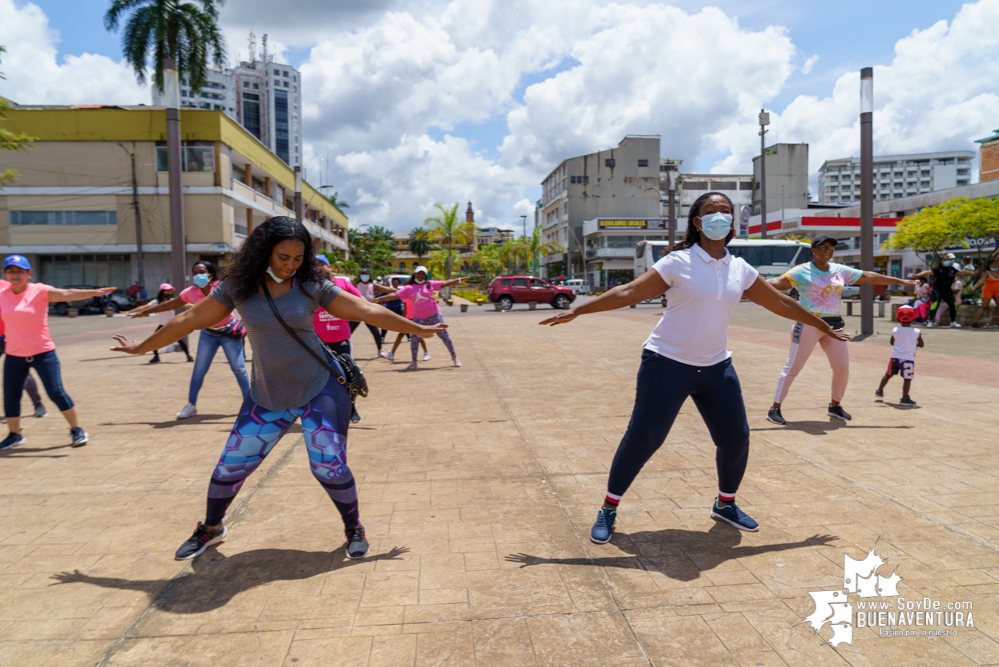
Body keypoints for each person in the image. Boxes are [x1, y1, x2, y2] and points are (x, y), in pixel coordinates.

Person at [109, 216, 446, 560]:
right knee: (230, 467)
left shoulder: (312, 285)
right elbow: (188, 319)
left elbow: (365, 308)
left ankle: (353, 527)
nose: (290, 265)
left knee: (328, 465)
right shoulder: (236, 286)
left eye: (298, 258)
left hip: (321, 385)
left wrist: (416, 329)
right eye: (283, 257)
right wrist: (142, 347)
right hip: (269, 393)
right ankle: (211, 528)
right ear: (264, 251)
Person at [538, 193, 851, 542]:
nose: (719, 216)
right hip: (666, 363)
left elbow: (780, 301)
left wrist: (822, 325)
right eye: (711, 212)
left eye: (726, 212)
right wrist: (579, 310)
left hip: (716, 366)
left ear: (733, 222)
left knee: (736, 438)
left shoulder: (740, 268)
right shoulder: (677, 262)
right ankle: (609, 508)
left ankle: (725, 503)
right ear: (697, 222)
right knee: (645, 439)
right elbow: (629, 292)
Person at [766, 234, 917, 425]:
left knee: (842, 368)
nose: (827, 251)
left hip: (835, 325)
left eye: (830, 248)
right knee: (793, 367)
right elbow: (775, 284)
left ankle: (835, 405)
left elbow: (867, 276)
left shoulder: (839, 270)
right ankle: (775, 408)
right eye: (822, 248)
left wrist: (898, 281)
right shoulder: (801, 271)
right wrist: (746, 288)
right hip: (809, 323)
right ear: (813, 250)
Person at [0, 255, 112, 449]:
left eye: (20, 271)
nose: (15, 274)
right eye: (11, 271)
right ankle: (14, 434)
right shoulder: (2, 292)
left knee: (55, 392)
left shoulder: (40, 291)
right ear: (5, 273)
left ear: (29, 273)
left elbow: (67, 294)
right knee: (10, 395)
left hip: (43, 353)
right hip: (14, 355)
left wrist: (94, 292)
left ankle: (77, 429)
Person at [129, 261, 250, 419]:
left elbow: (243, 301)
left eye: (201, 271)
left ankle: (250, 406)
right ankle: (191, 406)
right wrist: (145, 311)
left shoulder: (221, 287)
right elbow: (171, 304)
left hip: (229, 333)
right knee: (199, 370)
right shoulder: (190, 292)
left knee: (239, 368)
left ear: (210, 274)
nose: (197, 275)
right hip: (208, 334)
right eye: (195, 272)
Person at [374, 265, 465, 370]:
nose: (420, 275)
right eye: (419, 273)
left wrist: (458, 279)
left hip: (434, 314)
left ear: (425, 275)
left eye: (423, 274)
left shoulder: (430, 284)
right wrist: (380, 299)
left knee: (444, 336)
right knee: (414, 339)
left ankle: (454, 356)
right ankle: (414, 361)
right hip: (418, 317)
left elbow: (445, 283)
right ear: (415, 274)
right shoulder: (409, 288)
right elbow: (395, 295)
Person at [312, 255, 364, 423]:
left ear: (330, 266)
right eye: (315, 265)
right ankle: (321, 410)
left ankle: (351, 409)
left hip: (341, 337)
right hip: (317, 339)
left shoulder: (342, 284)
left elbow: (361, 302)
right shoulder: (308, 286)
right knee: (320, 376)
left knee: (347, 374)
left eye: (322, 264)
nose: (318, 268)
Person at [875, 305, 923, 405]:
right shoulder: (916, 332)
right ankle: (905, 398)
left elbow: (892, 342)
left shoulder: (895, 330)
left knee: (888, 374)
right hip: (908, 359)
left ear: (898, 318)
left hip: (895, 357)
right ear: (913, 318)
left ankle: (879, 390)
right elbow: (922, 344)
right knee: (907, 379)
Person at [914, 253, 973, 328]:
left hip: (947, 289)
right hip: (937, 289)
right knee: (935, 303)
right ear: (941, 261)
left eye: (948, 260)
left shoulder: (952, 269)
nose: (946, 261)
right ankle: (931, 321)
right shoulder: (938, 269)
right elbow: (927, 272)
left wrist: (973, 274)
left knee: (953, 305)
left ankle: (953, 322)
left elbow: (962, 273)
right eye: (944, 260)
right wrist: (917, 275)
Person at [379, 277, 428, 362]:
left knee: (419, 336)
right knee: (401, 335)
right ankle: (392, 354)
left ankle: (426, 353)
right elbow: (405, 309)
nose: (405, 287)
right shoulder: (406, 297)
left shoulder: (414, 295)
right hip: (408, 319)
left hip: (415, 318)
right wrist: (403, 319)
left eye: (406, 285)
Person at [144, 284, 194, 364]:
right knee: (153, 340)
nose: (169, 293)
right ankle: (156, 357)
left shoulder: (172, 301)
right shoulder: (155, 302)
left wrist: (198, 306)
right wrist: (131, 312)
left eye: (170, 291)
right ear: (161, 292)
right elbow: (143, 307)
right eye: (167, 291)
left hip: (172, 325)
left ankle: (188, 356)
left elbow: (187, 304)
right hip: (162, 324)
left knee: (180, 340)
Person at [350, 268, 394, 357]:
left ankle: (380, 351)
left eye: (366, 274)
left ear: (369, 276)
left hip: (369, 313)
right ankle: (344, 351)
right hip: (357, 312)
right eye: (362, 274)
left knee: (375, 332)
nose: (364, 275)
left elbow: (387, 289)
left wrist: (401, 291)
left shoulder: (373, 285)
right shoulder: (355, 285)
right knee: (348, 331)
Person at [971, 259, 999, 328]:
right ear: (989, 265)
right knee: (984, 307)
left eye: (996, 264)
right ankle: (975, 322)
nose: (995, 265)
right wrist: (975, 287)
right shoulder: (987, 273)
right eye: (993, 264)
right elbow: (980, 281)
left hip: (997, 291)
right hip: (987, 291)